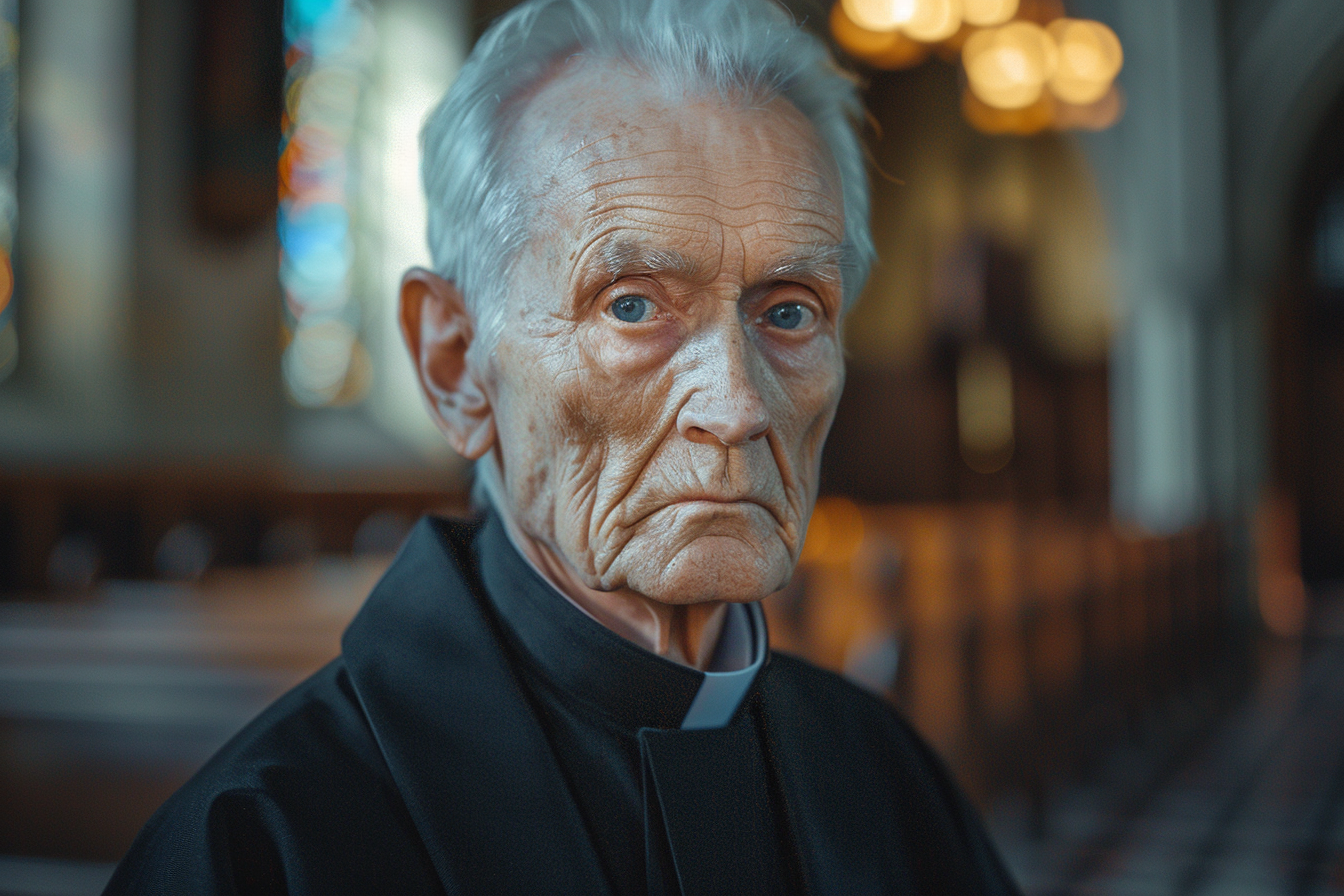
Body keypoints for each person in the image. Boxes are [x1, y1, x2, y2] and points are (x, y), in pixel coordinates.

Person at [106, 0, 1020, 892]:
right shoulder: (262, 845)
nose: (738, 406)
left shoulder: (887, 776)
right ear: (457, 363)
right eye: (633, 305)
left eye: (789, 312)